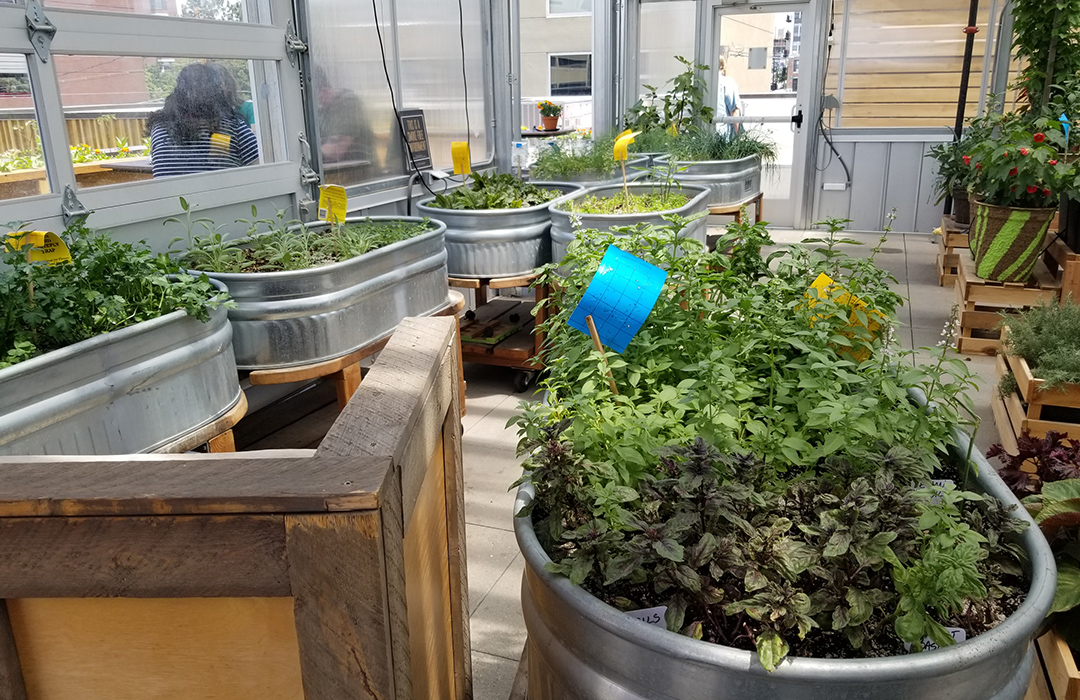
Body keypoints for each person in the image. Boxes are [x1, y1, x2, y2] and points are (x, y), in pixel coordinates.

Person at [146, 62, 259, 177]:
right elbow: (261, 166)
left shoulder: (159, 127)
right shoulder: (229, 126)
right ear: (213, 95)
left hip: (171, 195)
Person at [715, 56, 742, 137]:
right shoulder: (728, 83)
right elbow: (734, 111)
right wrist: (738, 136)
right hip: (722, 134)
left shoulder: (701, 81)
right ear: (723, 67)